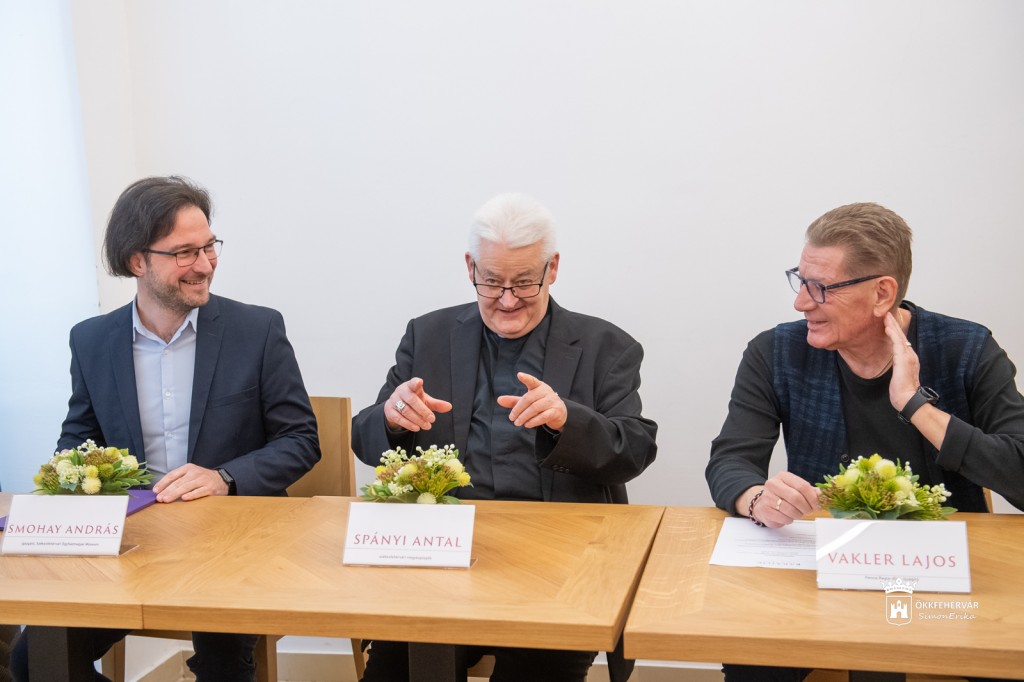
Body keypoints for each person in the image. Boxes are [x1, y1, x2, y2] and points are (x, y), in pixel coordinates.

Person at [12, 176, 320, 682]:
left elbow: (301, 441)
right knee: (34, 659)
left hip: (233, 544)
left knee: (222, 667)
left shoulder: (257, 330)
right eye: (184, 253)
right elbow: (78, 443)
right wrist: (71, 480)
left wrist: (223, 477)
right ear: (137, 261)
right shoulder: (91, 340)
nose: (205, 264)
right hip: (133, 544)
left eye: (209, 247)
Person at [706, 202, 1024, 682]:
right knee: (750, 659)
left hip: (946, 572)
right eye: (800, 281)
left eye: (821, 288)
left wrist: (916, 406)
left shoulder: (967, 349)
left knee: (1005, 659)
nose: (801, 303)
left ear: (882, 293)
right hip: (824, 568)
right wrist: (756, 500)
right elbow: (730, 460)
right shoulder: (775, 352)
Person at [351, 192, 658, 682]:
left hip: (557, 565)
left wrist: (568, 420)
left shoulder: (607, 346)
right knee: (401, 670)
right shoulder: (428, 335)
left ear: (552, 268)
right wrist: (391, 419)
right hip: (441, 556)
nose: (508, 300)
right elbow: (365, 440)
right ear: (470, 266)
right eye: (492, 282)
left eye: (524, 282)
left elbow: (634, 450)